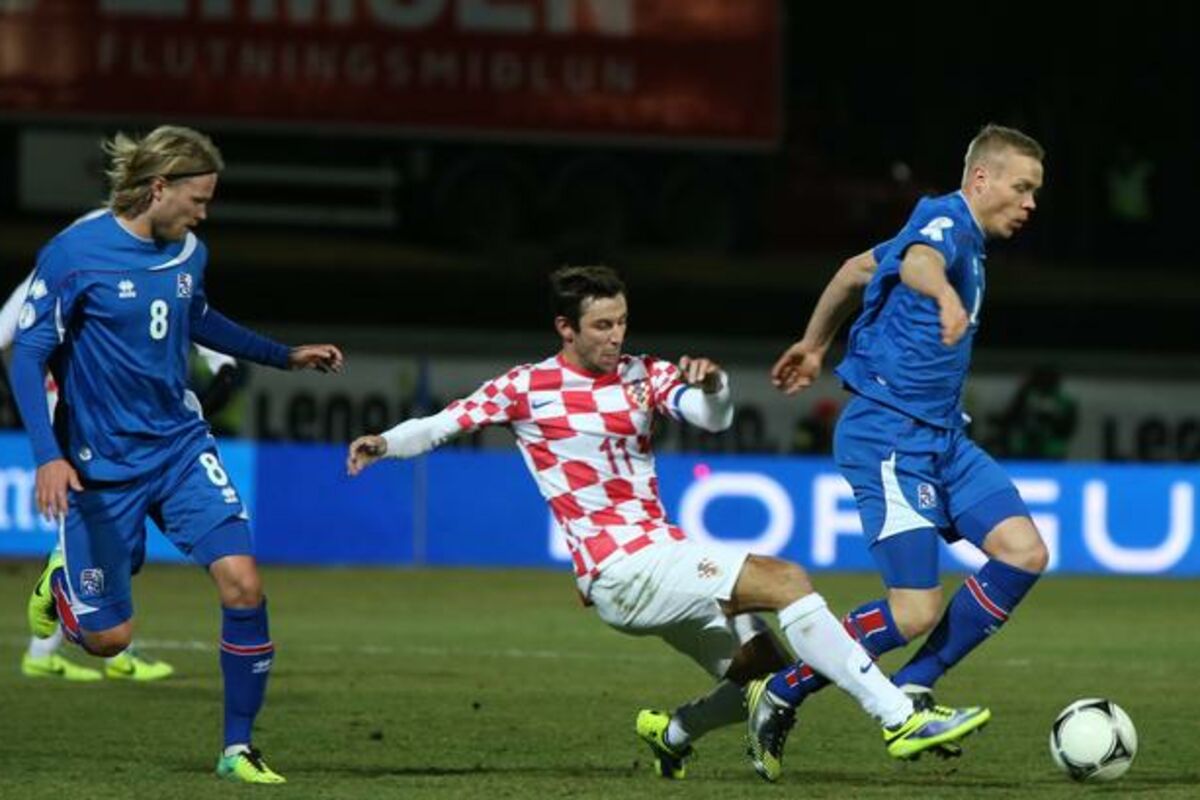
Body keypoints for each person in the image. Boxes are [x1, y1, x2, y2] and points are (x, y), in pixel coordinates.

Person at [347, 265, 990, 783]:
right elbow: (443, 424)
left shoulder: (643, 374)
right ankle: (899, 718)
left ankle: (673, 734)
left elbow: (712, 417)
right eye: (602, 325)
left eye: (622, 321)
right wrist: (384, 442)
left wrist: (712, 386)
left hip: (661, 554)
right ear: (565, 328)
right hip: (617, 568)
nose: (616, 336)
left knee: (761, 672)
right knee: (786, 579)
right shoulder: (526, 387)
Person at [9, 125, 344, 784]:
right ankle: (63, 585)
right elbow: (27, 356)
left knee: (244, 583)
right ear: (159, 188)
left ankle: (236, 748)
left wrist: (283, 356)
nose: (204, 213)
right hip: (101, 465)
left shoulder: (189, 251)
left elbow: (199, 317)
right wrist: (47, 455)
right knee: (110, 640)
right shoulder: (74, 254)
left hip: (180, 448)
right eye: (199, 198)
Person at [767, 124, 1050, 759]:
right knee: (915, 610)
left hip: (943, 439)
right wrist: (944, 293)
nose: (1031, 203)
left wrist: (813, 344)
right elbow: (922, 261)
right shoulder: (946, 222)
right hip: (890, 436)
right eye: (1022, 187)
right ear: (982, 180)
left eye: (1036, 191)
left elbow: (854, 271)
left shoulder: (965, 240)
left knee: (1024, 552)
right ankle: (783, 689)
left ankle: (915, 682)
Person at [1, 272, 196, 682]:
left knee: (106, 532)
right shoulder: (68, 270)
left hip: (103, 415)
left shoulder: (107, 267)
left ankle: (48, 649)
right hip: (85, 419)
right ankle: (111, 649)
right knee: (106, 530)